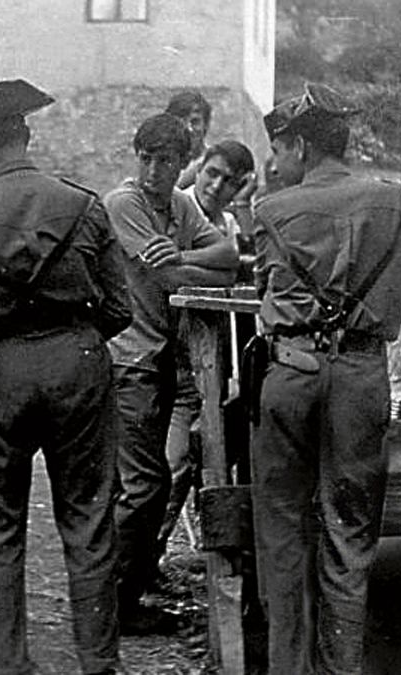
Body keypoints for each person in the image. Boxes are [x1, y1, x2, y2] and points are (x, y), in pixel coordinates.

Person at [0, 78, 132, 675]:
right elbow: (120, 309)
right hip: (79, 368)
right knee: (90, 520)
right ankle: (99, 664)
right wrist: (72, 338)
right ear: (24, 134)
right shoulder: (83, 204)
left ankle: (8, 667)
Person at [250, 83, 401, 674]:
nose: (274, 163)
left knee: (281, 536)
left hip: (293, 375)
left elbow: (263, 294)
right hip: (360, 378)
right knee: (349, 538)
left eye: (277, 150)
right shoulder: (395, 203)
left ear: (299, 145)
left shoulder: (271, 212)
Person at [104, 113, 240, 633]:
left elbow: (229, 259)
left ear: (183, 163)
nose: (154, 170)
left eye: (165, 161)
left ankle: (125, 599)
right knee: (144, 485)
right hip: (128, 358)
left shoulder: (180, 204)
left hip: (160, 358)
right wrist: (185, 265)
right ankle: (111, 605)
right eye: (146, 158)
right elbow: (162, 278)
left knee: (151, 485)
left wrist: (184, 253)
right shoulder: (126, 202)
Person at [157, 139, 256, 554]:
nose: (216, 186)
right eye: (212, 173)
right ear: (199, 168)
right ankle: (142, 562)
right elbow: (169, 273)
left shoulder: (228, 225)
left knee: (201, 459)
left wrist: (212, 264)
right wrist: (210, 265)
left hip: (208, 362)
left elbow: (239, 266)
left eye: (230, 182)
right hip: (168, 352)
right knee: (169, 463)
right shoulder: (179, 208)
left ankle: (156, 555)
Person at [165, 91, 212, 189]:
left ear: (206, 125)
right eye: (181, 122)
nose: (189, 129)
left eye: (195, 122)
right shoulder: (160, 163)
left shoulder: (215, 161)